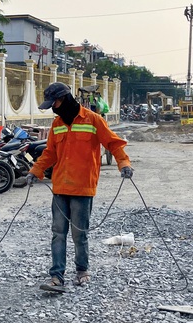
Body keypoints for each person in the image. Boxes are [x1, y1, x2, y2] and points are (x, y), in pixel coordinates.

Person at [25, 82, 133, 292]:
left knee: (79, 234)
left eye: (54, 103)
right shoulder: (57, 125)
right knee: (58, 232)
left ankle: (82, 270)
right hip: (60, 188)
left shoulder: (93, 120)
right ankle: (57, 276)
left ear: (64, 99)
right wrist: (35, 171)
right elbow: (50, 153)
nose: (53, 108)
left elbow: (113, 143)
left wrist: (124, 163)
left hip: (83, 188)